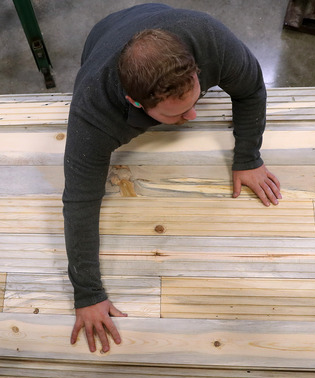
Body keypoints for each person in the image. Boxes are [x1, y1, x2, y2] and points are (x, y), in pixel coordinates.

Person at [63, 3, 282, 353]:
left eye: (196, 97)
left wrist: (248, 158)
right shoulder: (93, 114)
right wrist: (87, 293)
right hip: (105, 35)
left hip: (160, 17)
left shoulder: (208, 37)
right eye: (177, 113)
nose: (194, 116)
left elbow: (251, 88)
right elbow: (79, 202)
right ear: (136, 103)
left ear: (196, 69)